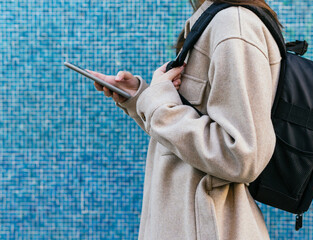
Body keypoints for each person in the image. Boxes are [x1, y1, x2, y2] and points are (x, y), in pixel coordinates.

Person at [89, 0, 282, 239]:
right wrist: (142, 99)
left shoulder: (233, 26)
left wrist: (159, 108)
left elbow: (242, 155)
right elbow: (191, 140)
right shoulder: (209, 21)